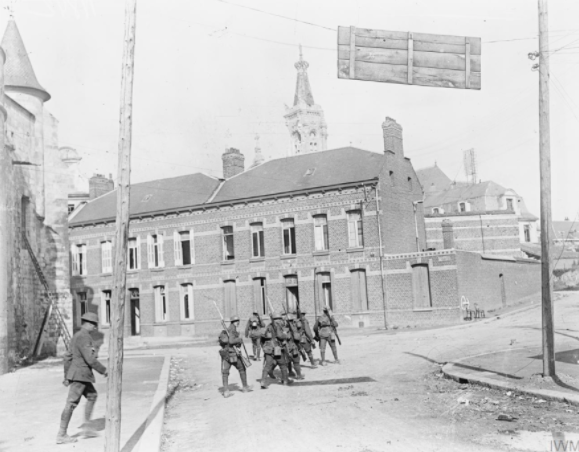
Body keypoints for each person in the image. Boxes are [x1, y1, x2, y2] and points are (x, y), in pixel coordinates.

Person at [57, 312, 107, 445]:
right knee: (71, 403)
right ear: (89, 324)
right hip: (81, 375)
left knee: (92, 396)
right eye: (94, 325)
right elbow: (90, 359)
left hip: (78, 374)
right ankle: (61, 434)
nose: (95, 328)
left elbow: (67, 357)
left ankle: (87, 428)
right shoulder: (84, 337)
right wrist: (104, 370)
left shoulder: (76, 336)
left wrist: (67, 376)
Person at [219, 316, 252, 398]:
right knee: (242, 369)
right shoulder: (232, 329)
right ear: (233, 322)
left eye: (238, 321)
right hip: (233, 354)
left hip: (226, 354)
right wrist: (239, 339)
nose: (237, 322)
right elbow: (231, 341)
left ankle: (226, 391)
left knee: (225, 372)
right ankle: (245, 387)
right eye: (236, 321)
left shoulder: (228, 329)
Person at [260, 311, 291, 389]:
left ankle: (263, 381)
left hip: (268, 349)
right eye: (280, 319)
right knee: (283, 365)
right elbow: (280, 336)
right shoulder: (278, 326)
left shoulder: (268, 326)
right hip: (277, 348)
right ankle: (285, 380)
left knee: (267, 366)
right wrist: (285, 335)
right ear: (278, 319)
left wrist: (264, 347)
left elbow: (262, 339)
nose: (281, 320)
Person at [285, 313, 305, 380]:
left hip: (286, 347)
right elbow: (298, 338)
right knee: (296, 362)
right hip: (293, 346)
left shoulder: (283, 329)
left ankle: (290, 372)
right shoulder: (294, 329)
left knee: (288, 361)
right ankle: (299, 376)